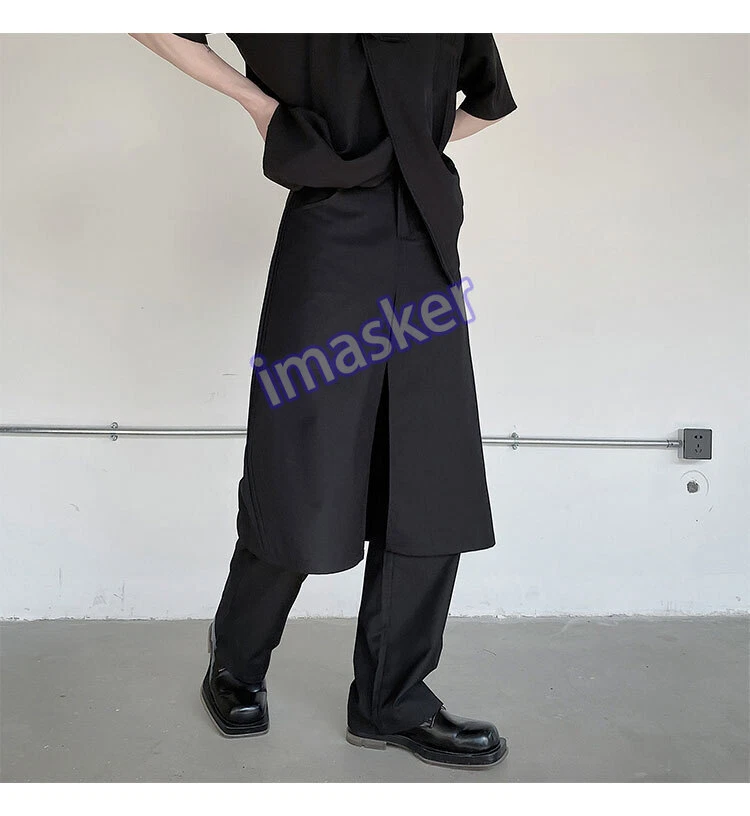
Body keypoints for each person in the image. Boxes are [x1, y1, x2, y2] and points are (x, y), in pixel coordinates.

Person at [129, 33, 517, 769]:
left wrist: (413, 146)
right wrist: (256, 103)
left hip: (425, 240)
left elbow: (488, 99)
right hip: (330, 232)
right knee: (305, 463)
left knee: (429, 476)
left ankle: (392, 701)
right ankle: (236, 658)